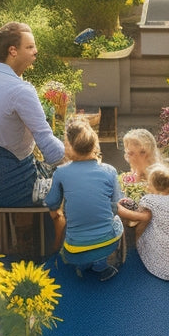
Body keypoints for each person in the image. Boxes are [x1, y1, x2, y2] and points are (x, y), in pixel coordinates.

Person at [0, 22, 66, 210]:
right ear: (13, 51)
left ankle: (35, 236)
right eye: (30, 47)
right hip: (13, 183)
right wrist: (79, 156)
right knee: (75, 187)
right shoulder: (20, 90)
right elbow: (50, 148)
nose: (36, 51)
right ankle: (52, 240)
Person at [45, 116, 124, 281]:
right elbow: (117, 204)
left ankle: (82, 265)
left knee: (67, 221)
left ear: (70, 145)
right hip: (107, 243)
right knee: (115, 219)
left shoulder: (61, 172)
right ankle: (101, 266)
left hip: (75, 249)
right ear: (93, 144)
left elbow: (51, 203)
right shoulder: (110, 171)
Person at [117, 163, 169, 281]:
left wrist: (120, 209)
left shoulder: (150, 201)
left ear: (154, 185)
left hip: (166, 268)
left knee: (142, 228)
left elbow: (138, 218)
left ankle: (140, 246)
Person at [119, 128, 163, 202]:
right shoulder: (122, 180)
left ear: (152, 153)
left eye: (142, 152)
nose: (136, 158)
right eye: (131, 153)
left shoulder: (162, 180)